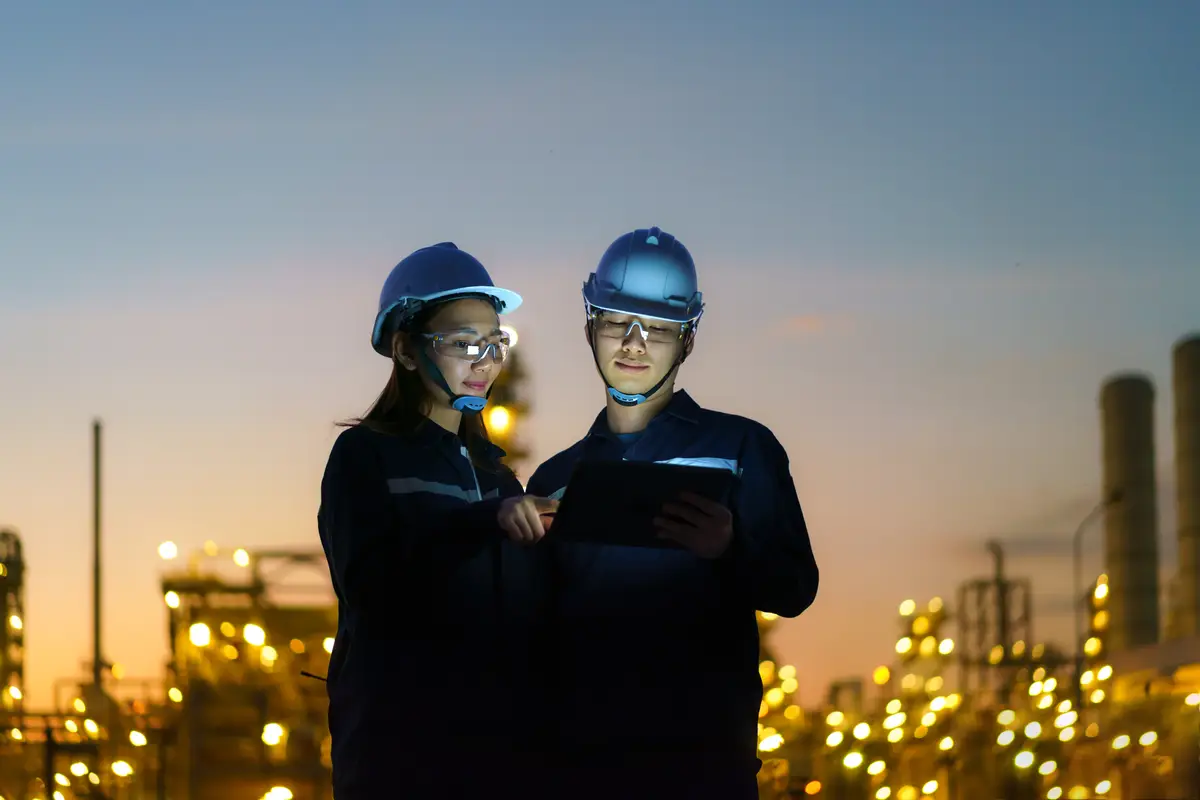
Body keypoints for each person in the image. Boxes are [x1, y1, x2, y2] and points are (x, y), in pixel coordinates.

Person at [526, 226, 820, 799]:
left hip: (702, 772)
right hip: (578, 774)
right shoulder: (555, 480)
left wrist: (731, 551)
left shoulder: (740, 450)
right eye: (617, 322)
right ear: (590, 326)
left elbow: (796, 588)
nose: (634, 344)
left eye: (657, 328)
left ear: (687, 339)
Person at [317, 242, 558, 798]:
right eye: (462, 343)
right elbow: (369, 586)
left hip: (494, 763)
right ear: (404, 350)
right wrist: (484, 523)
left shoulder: (498, 478)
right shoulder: (364, 457)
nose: (484, 361)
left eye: (495, 343)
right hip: (398, 762)